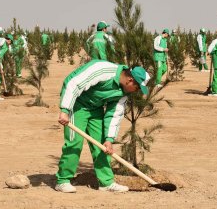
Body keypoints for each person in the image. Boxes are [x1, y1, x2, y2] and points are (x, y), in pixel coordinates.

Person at [55, 60, 150, 193]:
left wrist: (109, 139)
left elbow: (114, 114)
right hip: (77, 105)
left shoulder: (124, 93)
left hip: (95, 108)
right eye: (138, 87)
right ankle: (63, 180)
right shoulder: (103, 70)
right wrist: (65, 109)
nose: (137, 91)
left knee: (102, 146)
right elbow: (73, 84)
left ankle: (106, 183)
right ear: (130, 80)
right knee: (74, 142)